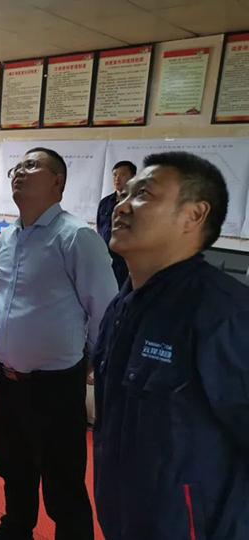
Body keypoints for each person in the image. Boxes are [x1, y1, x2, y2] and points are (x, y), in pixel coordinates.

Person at [93, 152, 249, 540]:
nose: (121, 206)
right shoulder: (122, 305)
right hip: (124, 518)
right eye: (124, 194)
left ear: (193, 215)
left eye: (143, 194)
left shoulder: (222, 314)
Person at [0, 148, 117, 540]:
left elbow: (106, 310)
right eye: (17, 166)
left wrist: (92, 358)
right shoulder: (8, 236)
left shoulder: (76, 237)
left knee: (62, 479)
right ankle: (16, 528)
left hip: (54, 385)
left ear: (58, 181)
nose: (20, 171)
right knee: (12, 463)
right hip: (7, 377)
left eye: (32, 165)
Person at [97, 161, 136, 287]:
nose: (117, 178)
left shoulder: (137, 203)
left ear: (133, 178)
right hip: (105, 261)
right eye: (114, 175)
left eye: (122, 174)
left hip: (126, 262)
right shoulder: (105, 202)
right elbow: (100, 228)